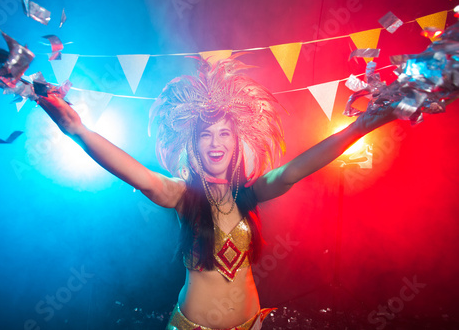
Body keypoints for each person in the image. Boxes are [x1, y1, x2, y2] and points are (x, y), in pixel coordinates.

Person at [38, 55, 397, 330]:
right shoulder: (181, 195)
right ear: (193, 144)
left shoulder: (252, 193)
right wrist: (77, 129)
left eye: (224, 134)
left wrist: (362, 126)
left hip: (251, 322)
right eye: (206, 134)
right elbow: (141, 176)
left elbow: (298, 168)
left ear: (237, 142)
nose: (215, 142)